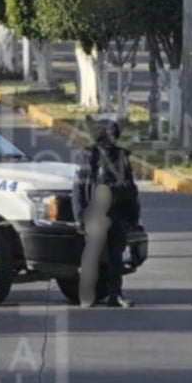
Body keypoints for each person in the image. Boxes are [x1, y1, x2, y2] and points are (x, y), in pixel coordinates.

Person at [71, 120, 141, 308]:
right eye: (110, 134)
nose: (114, 138)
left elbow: (132, 188)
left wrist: (134, 216)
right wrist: (79, 217)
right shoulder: (89, 155)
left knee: (116, 256)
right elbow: (78, 188)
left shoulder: (122, 156)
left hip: (118, 213)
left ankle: (115, 295)